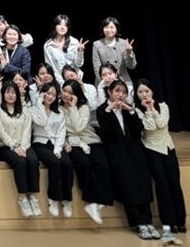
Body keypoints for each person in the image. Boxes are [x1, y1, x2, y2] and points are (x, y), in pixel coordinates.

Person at [97, 80, 158, 239]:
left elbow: (139, 129)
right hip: (118, 155)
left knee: (144, 186)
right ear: (109, 92)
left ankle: (148, 222)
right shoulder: (102, 110)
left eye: (123, 92)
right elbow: (107, 133)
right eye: (117, 91)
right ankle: (138, 224)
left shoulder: (129, 109)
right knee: (129, 188)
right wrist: (109, 111)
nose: (120, 95)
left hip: (136, 153)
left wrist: (131, 111)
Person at [136, 79, 187, 241]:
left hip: (168, 148)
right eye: (140, 92)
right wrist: (148, 110)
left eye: (146, 91)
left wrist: (152, 108)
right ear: (136, 95)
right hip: (151, 149)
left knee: (174, 183)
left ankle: (180, 221)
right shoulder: (137, 110)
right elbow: (150, 128)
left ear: (152, 92)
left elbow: (162, 123)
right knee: (162, 184)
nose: (144, 95)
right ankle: (168, 223)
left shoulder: (163, 106)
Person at [61, 79, 112, 225]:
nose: (66, 94)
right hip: (73, 142)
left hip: (91, 139)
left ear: (76, 95)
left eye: (70, 93)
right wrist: (65, 141)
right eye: (64, 91)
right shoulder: (58, 108)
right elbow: (71, 130)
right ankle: (91, 201)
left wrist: (73, 107)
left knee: (102, 163)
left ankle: (100, 201)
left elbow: (78, 127)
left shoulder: (83, 107)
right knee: (84, 163)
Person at [0, 81, 41, 217]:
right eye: (7, 92)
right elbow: (0, 132)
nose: (10, 95)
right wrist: (14, 147)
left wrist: (23, 147)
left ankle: (33, 197)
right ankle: (22, 199)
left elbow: (27, 131)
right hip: (4, 146)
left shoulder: (25, 110)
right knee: (20, 162)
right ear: (3, 94)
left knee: (32, 161)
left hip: (24, 144)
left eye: (13, 92)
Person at [30, 82, 73, 218]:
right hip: (40, 143)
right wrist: (39, 102)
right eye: (47, 93)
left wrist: (58, 148)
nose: (50, 97)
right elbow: (41, 122)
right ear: (42, 94)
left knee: (67, 163)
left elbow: (61, 132)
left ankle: (67, 199)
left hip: (56, 143)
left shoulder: (59, 112)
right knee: (54, 163)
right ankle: (53, 199)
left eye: (53, 94)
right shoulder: (34, 109)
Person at [91, 17, 137, 87]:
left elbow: (131, 66)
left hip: (123, 80)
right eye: (106, 27)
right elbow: (97, 68)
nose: (108, 30)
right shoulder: (97, 44)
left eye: (111, 27)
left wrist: (129, 53)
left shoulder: (124, 43)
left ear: (117, 29)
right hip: (104, 81)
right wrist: (106, 81)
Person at [43, 14, 86, 85]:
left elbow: (79, 64)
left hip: (75, 79)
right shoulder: (48, 45)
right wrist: (62, 83)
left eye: (65, 25)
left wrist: (80, 52)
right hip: (58, 81)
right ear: (55, 26)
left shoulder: (74, 42)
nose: (62, 27)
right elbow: (50, 67)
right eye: (60, 24)